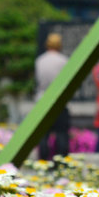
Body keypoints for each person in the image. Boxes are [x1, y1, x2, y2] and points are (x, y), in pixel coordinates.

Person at [35, 33, 70, 161]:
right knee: (61, 133)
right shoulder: (64, 61)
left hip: (42, 99)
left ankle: (43, 161)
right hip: (58, 100)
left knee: (43, 134)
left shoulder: (40, 60)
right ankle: (60, 162)